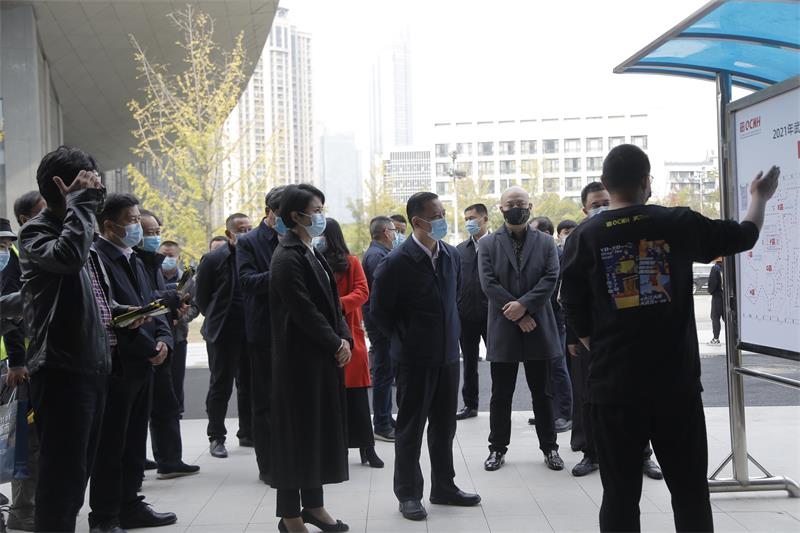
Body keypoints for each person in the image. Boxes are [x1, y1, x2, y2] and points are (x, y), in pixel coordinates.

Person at [561, 144, 780, 532]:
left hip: (613, 389)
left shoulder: (584, 236)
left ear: (606, 183)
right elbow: (745, 235)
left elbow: (572, 307)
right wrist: (758, 197)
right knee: (690, 492)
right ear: (646, 181)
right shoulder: (677, 222)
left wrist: (604, 348)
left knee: (619, 495)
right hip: (675, 387)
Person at [18, 147, 116, 532]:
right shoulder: (37, 230)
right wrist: (80, 206)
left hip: (92, 364)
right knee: (62, 480)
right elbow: (68, 258)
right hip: (62, 368)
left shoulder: (81, 226)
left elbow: (92, 295)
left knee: (78, 476)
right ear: (63, 185)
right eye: (89, 181)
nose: (97, 189)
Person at [371, 192, 481, 521]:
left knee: (444, 427)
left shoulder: (450, 255)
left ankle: (444, 487)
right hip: (414, 360)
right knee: (411, 429)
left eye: (443, 213)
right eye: (437, 216)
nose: (443, 220)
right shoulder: (395, 262)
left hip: (447, 356)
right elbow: (379, 314)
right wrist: (405, 340)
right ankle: (408, 493)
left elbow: (453, 298)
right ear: (417, 222)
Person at [269, 184, 351, 533]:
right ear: (295, 216)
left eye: (321, 209)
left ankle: (314, 507)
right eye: (315, 211)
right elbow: (303, 310)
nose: (321, 217)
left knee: (315, 436)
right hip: (298, 363)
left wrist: (344, 338)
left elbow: (332, 304)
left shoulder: (311, 250)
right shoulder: (286, 256)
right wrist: (335, 342)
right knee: (296, 438)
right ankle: (290, 517)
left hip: (320, 359)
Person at [92, 193, 177, 531]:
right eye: (132, 220)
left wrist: (164, 339)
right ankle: (105, 516)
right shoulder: (98, 260)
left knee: (134, 441)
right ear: (109, 225)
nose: (138, 226)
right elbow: (111, 315)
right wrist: (148, 347)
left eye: (138, 219)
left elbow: (151, 303)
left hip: (143, 363)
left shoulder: (136, 259)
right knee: (112, 444)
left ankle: (130, 504)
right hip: (119, 365)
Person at [567, 182, 662, 480]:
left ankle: (644, 455)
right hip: (591, 337)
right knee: (588, 397)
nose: (602, 208)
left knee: (640, 394)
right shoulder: (580, 239)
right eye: (595, 205)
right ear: (584, 209)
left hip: (632, 335)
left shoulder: (632, 232)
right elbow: (569, 295)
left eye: (606, 202)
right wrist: (575, 337)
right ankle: (591, 453)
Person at [478, 187, 564, 473]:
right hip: (504, 327)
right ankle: (497, 448)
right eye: (510, 203)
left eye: (521, 203)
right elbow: (488, 283)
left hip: (538, 325)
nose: (516, 207)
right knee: (501, 394)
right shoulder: (488, 244)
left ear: (530, 206)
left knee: (543, 393)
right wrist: (516, 314)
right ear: (501, 208)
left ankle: (550, 448)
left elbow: (551, 278)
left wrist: (524, 307)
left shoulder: (546, 242)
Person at [316, 218, 384, 469]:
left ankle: (367, 448)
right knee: (330, 400)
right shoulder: (309, 261)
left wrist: (336, 305)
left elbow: (362, 292)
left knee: (357, 399)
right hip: (322, 335)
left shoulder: (351, 262)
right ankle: (336, 450)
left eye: (321, 233)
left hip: (350, 335)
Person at [137, 210, 200, 479]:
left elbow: (157, 304)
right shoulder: (125, 261)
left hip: (163, 339)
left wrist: (169, 322)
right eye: (147, 232)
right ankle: (134, 468)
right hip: (138, 344)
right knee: (136, 411)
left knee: (166, 404)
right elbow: (139, 302)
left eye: (156, 232)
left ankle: (169, 461)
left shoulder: (152, 262)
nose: (154, 237)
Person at [195, 213, 253, 458]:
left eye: (250, 228)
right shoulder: (213, 259)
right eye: (241, 229)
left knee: (249, 385)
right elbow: (201, 298)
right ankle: (216, 437)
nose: (247, 233)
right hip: (223, 332)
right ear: (230, 233)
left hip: (251, 331)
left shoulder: (255, 255)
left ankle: (248, 432)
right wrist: (217, 315)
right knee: (220, 385)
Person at [236, 186, 284, 483]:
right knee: (265, 401)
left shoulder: (299, 239)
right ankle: (267, 465)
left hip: (296, 331)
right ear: (270, 212)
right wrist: (282, 274)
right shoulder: (249, 242)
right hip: (264, 332)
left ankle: (293, 458)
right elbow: (246, 281)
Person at [529, 215, 573, 433]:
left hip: (555, 317)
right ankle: (548, 413)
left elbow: (553, 289)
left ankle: (564, 414)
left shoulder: (557, 254)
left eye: (533, 232)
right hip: (540, 317)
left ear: (546, 234)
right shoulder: (538, 253)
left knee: (557, 365)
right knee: (544, 367)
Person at [361, 216, 400, 442]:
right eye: (394, 230)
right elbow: (383, 294)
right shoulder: (377, 256)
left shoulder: (379, 253)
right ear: (386, 232)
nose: (396, 235)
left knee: (386, 371)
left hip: (379, 323)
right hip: (381, 325)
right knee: (384, 373)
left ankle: (386, 417)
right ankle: (382, 423)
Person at [455, 203, 489, 420]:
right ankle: (470, 405)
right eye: (466, 218)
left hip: (492, 315)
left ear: (485, 219)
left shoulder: (497, 245)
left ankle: (500, 404)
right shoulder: (460, 250)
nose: (469, 222)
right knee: (468, 363)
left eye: (473, 218)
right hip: (466, 316)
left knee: (501, 362)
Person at [159, 240, 199, 416]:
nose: (167, 259)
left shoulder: (188, 280)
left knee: (176, 377)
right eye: (163, 255)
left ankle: (177, 413)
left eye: (171, 256)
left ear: (178, 257)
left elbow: (196, 306)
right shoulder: (153, 276)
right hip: (157, 337)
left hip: (179, 336)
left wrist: (182, 318)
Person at [708, 257, 724, 345]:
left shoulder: (715, 268)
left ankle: (716, 338)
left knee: (715, 317)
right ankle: (735, 336)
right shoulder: (726, 267)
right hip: (726, 296)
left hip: (717, 296)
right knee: (727, 318)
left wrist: (711, 291)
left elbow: (712, 283)